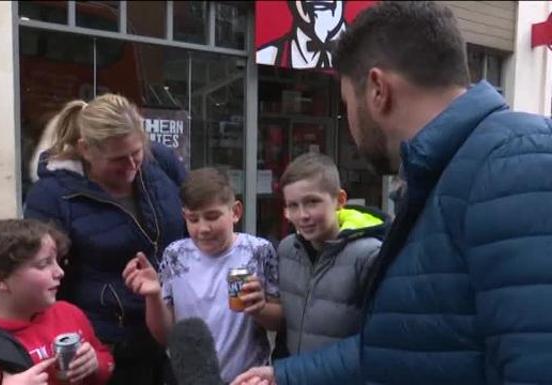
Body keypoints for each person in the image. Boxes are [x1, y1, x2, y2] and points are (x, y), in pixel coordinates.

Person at [232, 2, 552, 385]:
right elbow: (403, 344)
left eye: (348, 104)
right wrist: (285, 376)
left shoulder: (514, 163)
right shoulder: (445, 175)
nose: (349, 123)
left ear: (378, 90)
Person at [24, 93, 187, 385]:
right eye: (117, 159)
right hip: (109, 342)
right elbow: (43, 274)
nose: (132, 165)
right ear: (85, 149)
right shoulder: (52, 195)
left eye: (136, 152)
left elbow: (193, 215)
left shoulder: (159, 161)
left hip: (177, 326)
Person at [122, 167, 282, 383]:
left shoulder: (259, 251)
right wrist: (153, 296)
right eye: (193, 219)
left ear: (235, 212)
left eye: (212, 217)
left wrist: (260, 308)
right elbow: (166, 335)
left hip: (248, 379)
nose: (203, 228)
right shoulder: (175, 255)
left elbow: (279, 321)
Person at [0, 218, 114, 385]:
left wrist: (96, 364)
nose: (59, 272)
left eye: (57, 261)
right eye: (44, 264)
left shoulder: (68, 313)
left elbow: (106, 364)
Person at [276, 152, 388, 356]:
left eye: (312, 202)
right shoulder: (287, 250)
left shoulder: (369, 255)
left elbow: (380, 340)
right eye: (293, 205)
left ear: (340, 200)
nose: (303, 215)